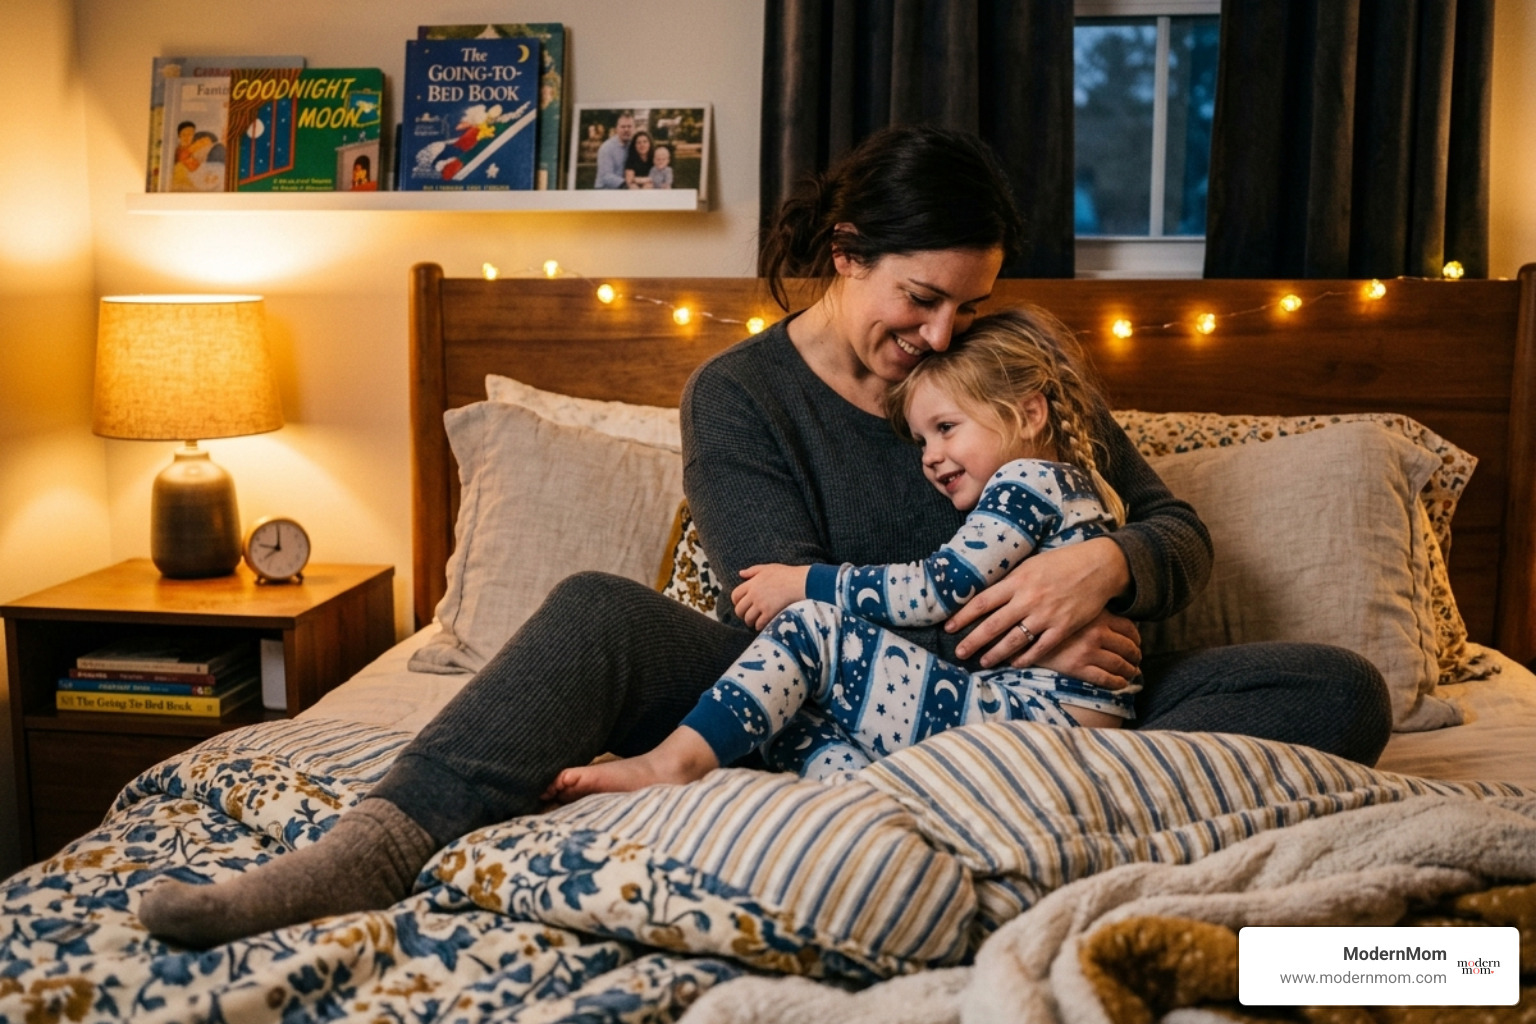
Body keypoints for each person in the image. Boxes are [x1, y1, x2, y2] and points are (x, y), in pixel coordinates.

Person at [138, 123, 1392, 950]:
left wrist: (1103, 564)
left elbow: (1170, 527)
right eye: (922, 298)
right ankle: (375, 845)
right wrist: (1016, 633)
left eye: (970, 301)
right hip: (813, 685)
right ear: (849, 258)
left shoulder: (1009, 376)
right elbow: (783, 613)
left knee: (1334, 689)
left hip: (1054, 702)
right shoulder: (740, 397)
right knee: (592, 611)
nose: (946, 334)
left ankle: (1025, 805)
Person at [547, 307, 1137, 799]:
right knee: (783, 709)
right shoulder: (1075, 486)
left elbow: (937, 588)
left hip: (1038, 721)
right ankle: (858, 801)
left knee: (808, 631)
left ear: (1030, 412)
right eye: (923, 438)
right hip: (1048, 718)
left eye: (947, 427)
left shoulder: (1027, 483)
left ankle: (671, 764)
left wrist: (807, 584)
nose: (930, 456)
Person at [593, 111, 635, 188]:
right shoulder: (607, 148)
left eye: (629, 126)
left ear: (634, 128)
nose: (626, 129)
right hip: (605, 190)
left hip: (626, 190)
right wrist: (627, 185)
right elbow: (606, 176)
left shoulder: (634, 145)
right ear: (617, 129)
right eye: (623, 126)